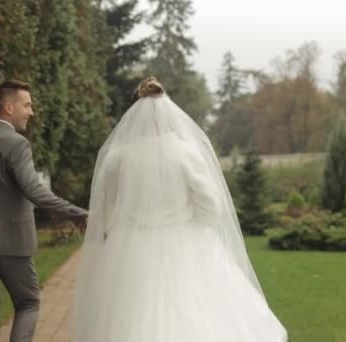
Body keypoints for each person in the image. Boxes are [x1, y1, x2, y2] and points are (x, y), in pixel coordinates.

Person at [71, 77, 287, 341]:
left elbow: (106, 210)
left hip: (131, 248)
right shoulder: (185, 153)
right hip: (185, 241)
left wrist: (116, 232)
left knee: (128, 316)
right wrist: (190, 220)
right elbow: (211, 205)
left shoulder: (118, 158)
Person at [0, 79, 87, 342]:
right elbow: (34, 191)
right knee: (28, 303)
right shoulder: (17, 144)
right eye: (27, 105)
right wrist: (78, 212)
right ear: (9, 108)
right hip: (10, 242)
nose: (31, 112)